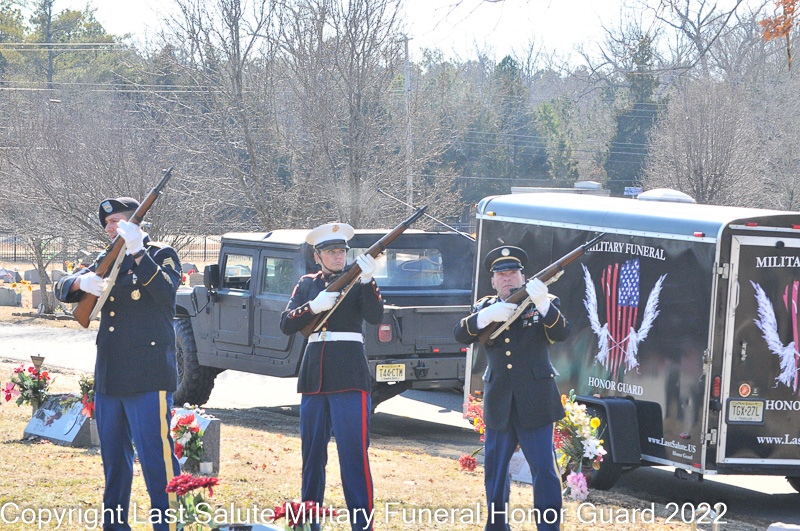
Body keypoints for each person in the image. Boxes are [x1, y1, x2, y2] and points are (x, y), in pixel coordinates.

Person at [55, 197, 182, 531]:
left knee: (156, 459)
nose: (110, 228)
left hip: (147, 375)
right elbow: (61, 288)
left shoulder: (160, 254)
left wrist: (139, 252)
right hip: (111, 375)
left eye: (116, 221)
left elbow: (167, 293)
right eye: (107, 224)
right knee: (113, 461)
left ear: (135, 222)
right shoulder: (106, 259)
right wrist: (79, 283)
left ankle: (169, 525)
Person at [454, 245, 569, 531]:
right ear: (493, 281)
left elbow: (562, 332)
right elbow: (460, 334)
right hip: (499, 402)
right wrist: (486, 316)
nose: (508, 278)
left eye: (513, 273)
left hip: (536, 401)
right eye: (502, 275)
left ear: (523, 277)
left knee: (544, 471)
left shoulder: (543, 302)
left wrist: (543, 304)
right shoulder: (484, 308)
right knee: (495, 472)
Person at [280, 222, 382, 531]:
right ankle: (309, 521)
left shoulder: (359, 282)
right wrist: (313, 306)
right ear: (317, 256)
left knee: (353, 456)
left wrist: (368, 280)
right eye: (331, 252)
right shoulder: (307, 284)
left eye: (341, 251)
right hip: (314, 378)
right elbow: (286, 323)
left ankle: (362, 525)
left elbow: (375, 316)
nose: (338, 256)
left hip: (349, 376)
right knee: (311, 455)